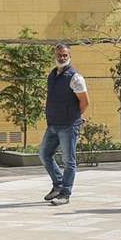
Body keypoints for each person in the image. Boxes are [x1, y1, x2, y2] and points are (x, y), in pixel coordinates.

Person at [40, 41, 88, 206]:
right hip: (52, 124)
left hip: (68, 125)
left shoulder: (75, 77)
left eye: (65, 55)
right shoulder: (52, 75)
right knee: (44, 154)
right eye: (59, 55)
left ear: (70, 56)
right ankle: (58, 185)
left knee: (69, 161)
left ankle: (65, 193)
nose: (61, 58)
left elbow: (84, 102)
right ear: (55, 56)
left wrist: (75, 117)